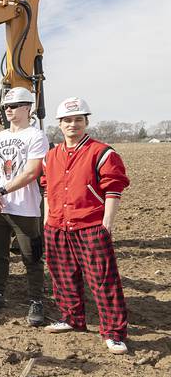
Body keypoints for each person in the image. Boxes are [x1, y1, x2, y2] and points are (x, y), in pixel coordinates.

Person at [41, 97, 130, 354]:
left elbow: (113, 190)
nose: (73, 124)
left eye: (78, 119)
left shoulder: (102, 153)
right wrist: (48, 222)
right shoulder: (51, 156)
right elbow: (47, 190)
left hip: (90, 225)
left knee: (102, 280)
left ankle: (114, 332)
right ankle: (72, 318)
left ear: (86, 122)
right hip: (57, 225)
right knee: (63, 276)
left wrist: (106, 225)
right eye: (67, 120)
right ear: (59, 124)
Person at [0, 87, 49, 326]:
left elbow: (32, 172)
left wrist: (0, 191)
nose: (8, 110)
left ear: (27, 108)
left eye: (13, 106)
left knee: (31, 257)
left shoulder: (35, 135)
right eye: (5, 107)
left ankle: (36, 300)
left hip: (24, 209)